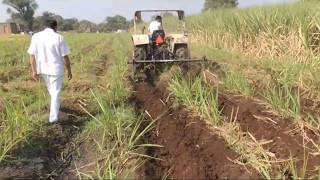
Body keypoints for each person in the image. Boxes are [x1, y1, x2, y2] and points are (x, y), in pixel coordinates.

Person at [27, 19, 72, 123]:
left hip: (42, 69)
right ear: (55, 27)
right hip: (56, 70)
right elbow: (65, 57)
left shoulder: (36, 36)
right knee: (55, 93)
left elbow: (31, 55)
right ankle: (53, 118)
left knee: (52, 92)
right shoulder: (59, 37)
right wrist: (69, 70)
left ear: (45, 26)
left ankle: (54, 111)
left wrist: (34, 71)